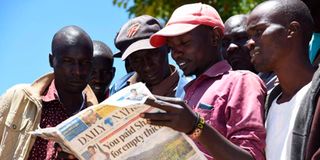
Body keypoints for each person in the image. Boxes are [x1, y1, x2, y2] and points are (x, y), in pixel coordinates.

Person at [142, 3, 267, 160]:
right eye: (172, 47)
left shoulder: (240, 81)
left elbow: (250, 157)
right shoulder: (189, 90)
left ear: (214, 37)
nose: (177, 53)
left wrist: (195, 126)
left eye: (184, 43)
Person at [0, 25, 98, 159]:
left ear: (92, 65)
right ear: (52, 61)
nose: (77, 71)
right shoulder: (18, 99)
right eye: (68, 61)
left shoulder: (100, 116)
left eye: (84, 63)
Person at [246, 0, 315, 159]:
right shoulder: (267, 104)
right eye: (249, 35)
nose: (249, 43)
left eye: (258, 31)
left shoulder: (315, 96)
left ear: (292, 30)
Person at [112, 15, 189, 98]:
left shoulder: (190, 91)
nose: (147, 66)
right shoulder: (119, 90)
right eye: (136, 59)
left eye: (153, 54)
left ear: (168, 46)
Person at [222, 14, 277, 91]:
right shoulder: (221, 87)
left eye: (240, 38)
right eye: (225, 43)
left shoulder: (281, 82)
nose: (231, 47)